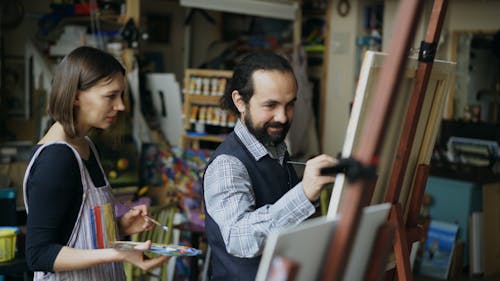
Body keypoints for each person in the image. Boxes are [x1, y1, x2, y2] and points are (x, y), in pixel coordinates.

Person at [23, 46, 169, 280]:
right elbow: (39, 255)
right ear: (76, 96)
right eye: (110, 96)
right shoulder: (56, 159)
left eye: (121, 96)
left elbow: (75, 233)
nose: (120, 106)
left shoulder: (87, 145)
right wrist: (118, 254)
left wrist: (121, 226)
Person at [203, 52, 337, 281]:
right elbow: (239, 238)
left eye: (290, 104)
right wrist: (304, 193)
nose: (283, 117)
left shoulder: (276, 149)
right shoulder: (227, 164)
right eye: (270, 105)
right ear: (240, 102)